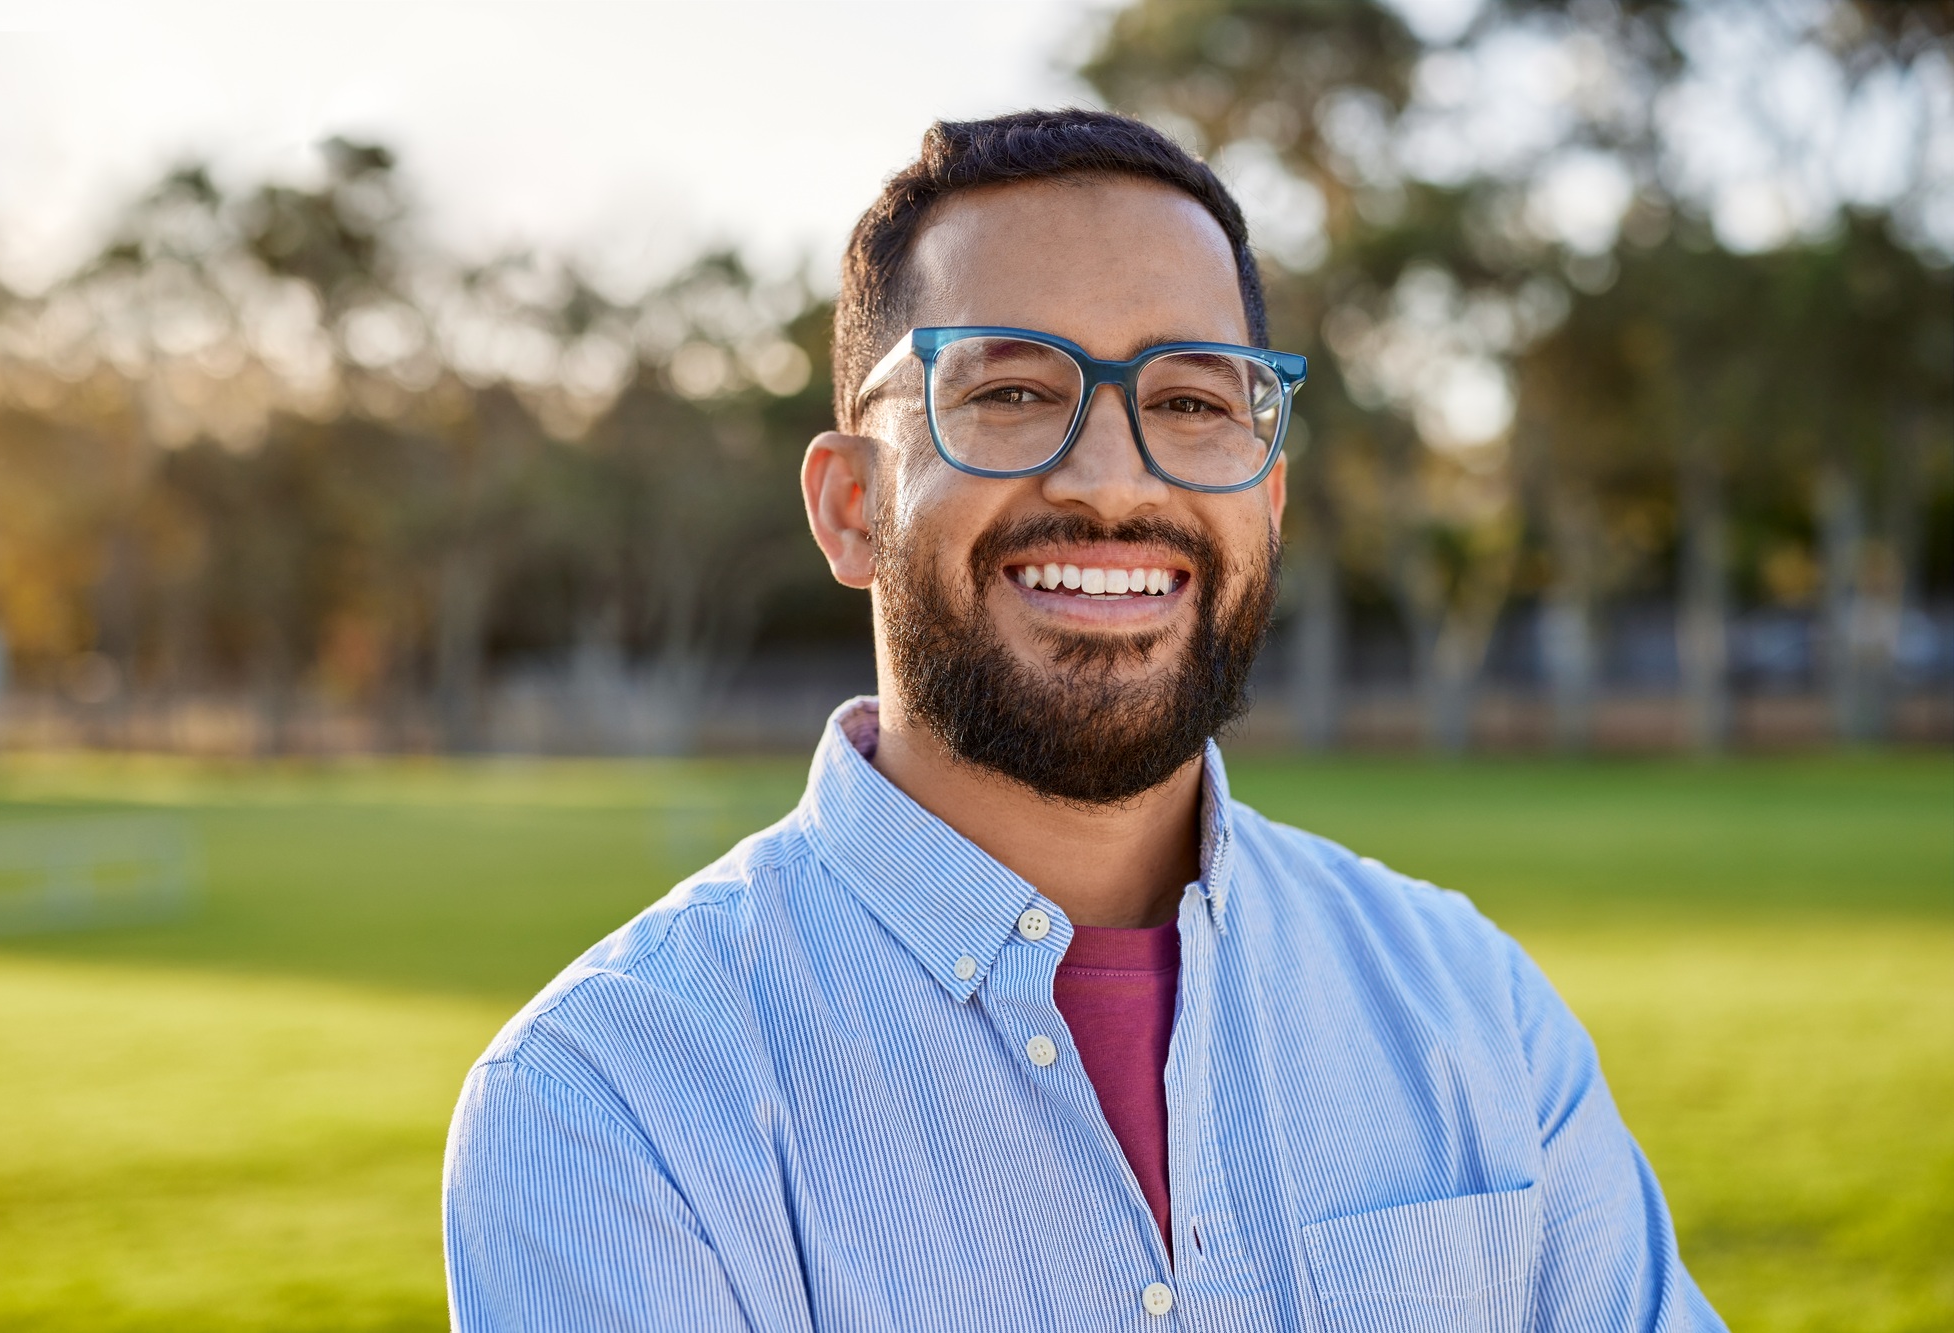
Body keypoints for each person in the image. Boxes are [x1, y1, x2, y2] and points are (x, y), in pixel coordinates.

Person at [443, 109, 1724, 1332]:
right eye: (1008, 391)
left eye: (1191, 401)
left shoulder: (1470, 1007)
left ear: (1267, 496)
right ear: (850, 506)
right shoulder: (608, 1101)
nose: (1113, 480)